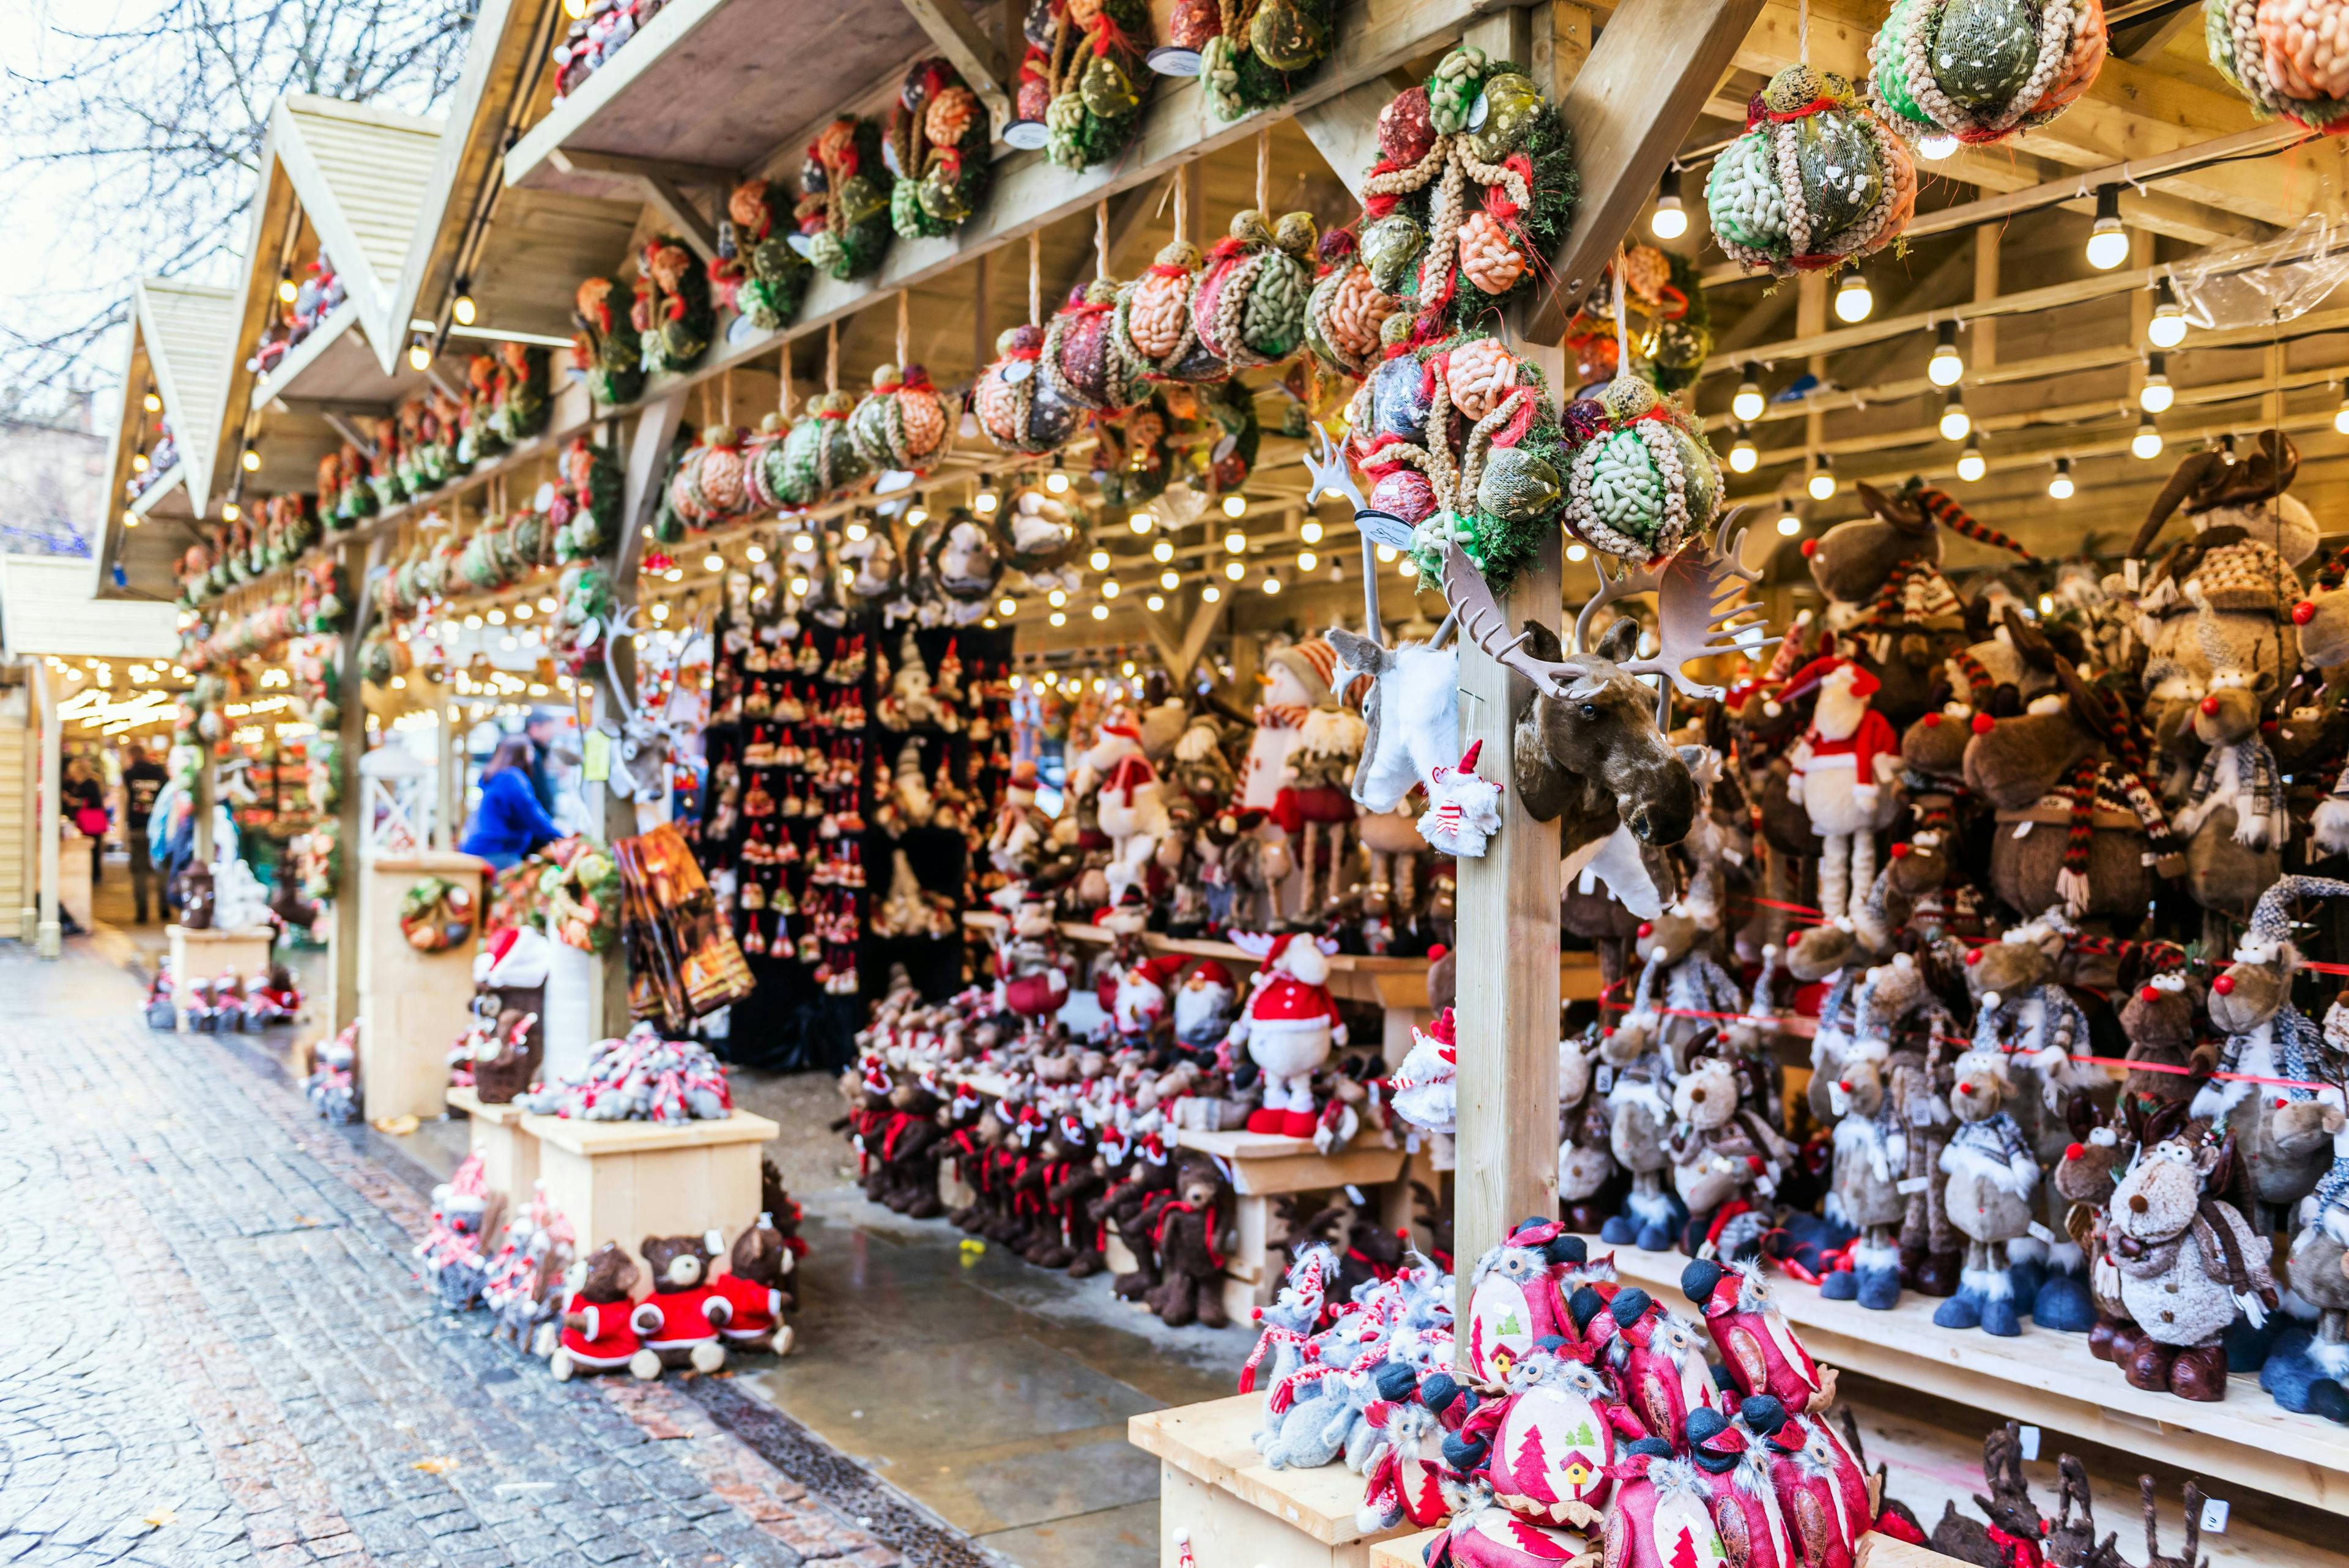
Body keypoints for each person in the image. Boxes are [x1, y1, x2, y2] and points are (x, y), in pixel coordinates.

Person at [462, 734, 562, 870]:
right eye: (530, 750)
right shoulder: (512, 779)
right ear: (522, 753)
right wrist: (561, 837)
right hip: (499, 852)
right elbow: (532, 815)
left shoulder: (496, 777)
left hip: (481, 849)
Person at [122, 742, 168, 924]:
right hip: (159, 829)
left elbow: (124, 796)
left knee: (139, 872)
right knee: (161, 869)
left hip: (137, 827)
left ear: (131, 757)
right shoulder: (160, 774)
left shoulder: (128, 775)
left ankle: (142, 913)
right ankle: (164, 909)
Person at [62, 754, 105, 885]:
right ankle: (94, 875)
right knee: (93, 849)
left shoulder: (89, 784)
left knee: (92, 849)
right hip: (89, 822)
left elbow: (90, 802)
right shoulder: (84, 783)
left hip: (90, 822)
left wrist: (72, 801)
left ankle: (95, 876)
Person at [524, 713, 560, 812]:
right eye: (548, 728)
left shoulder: (539, 752)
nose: (552, 733)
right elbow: (538, 791)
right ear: (534, 728)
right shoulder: (530, 755)